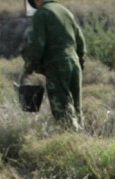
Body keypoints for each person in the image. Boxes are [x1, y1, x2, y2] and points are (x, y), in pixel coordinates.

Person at [22, 0, 86, 130]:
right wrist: (80, 62)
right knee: (76, 110)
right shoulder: (65, 11)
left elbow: (37, 45)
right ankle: (81, 141)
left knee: (62, 110)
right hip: (74, 63)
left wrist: (29, 67)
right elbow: (81, 42)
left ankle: (70, 143)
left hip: (56, 65)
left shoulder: (41, 14)